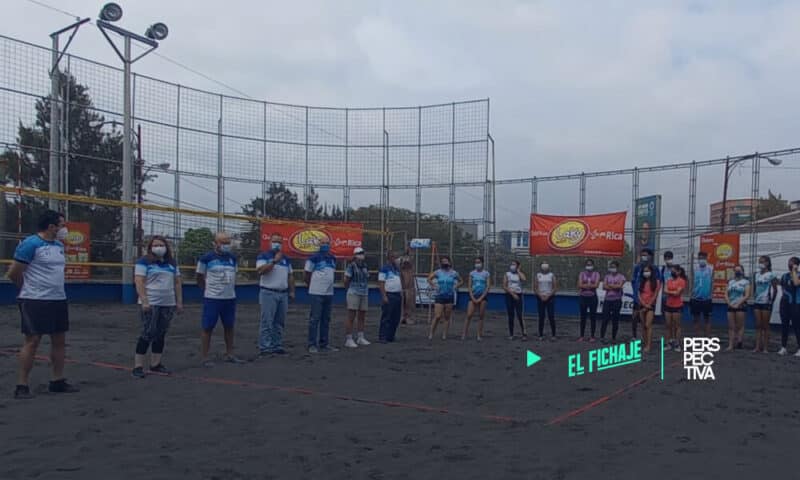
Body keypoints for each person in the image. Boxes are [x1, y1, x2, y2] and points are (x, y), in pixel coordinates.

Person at [9, 210, 79, 399]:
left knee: (59, 340)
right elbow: (14, 273)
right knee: (32, 341)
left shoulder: (57, 245)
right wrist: (26, 289)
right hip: (35, 300)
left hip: (57, 298)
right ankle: (22, 385)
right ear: (51, 226)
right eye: (62, 225)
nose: (64, 228)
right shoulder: (31, 244)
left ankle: (57, 381)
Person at [132, 236, 183, 378]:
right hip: (151, 302)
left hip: (168, 303)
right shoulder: (144, 262)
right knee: (147, 333)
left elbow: (177, 283)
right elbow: (139, 281)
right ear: (150, 247)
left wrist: (179, 302)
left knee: (161, 334)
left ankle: (156, 364)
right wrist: (145, 300)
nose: (159, 247)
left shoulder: (171, 263)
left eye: (161, 245)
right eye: (155, 245)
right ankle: (138, 366)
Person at [197, 232, 242, 366]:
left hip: (229, 298)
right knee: (208, 327)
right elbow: (199, 276)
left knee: (229, 326)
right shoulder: (206, 258)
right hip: (212, 298)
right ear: (215, 243)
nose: (226, 245)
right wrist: (206, 290)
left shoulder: (232, 258)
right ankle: (204, 357)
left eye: (228, 242)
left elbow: (235, 276)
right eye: (223, 242)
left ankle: (229, 354)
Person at [256, 233, 295, 356]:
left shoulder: (286, 259)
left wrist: (292, 290)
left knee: (279, 322)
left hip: (282, 293)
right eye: (275, 241)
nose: (277, 244)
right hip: (268, 292)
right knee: (267, 321)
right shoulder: (263, 256)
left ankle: (277, 345)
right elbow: (261, 271)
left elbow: (290, 275)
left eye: (279, 242)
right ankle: (265, 347)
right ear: (270, 242)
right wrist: (274, 261)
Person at [305, 238, 337, 354]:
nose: (325, 245)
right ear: (319, 244)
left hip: (329, 293)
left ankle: (324, 343)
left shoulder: (332, 258)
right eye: (323, 243)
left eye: (327, 243)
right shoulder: (314, 258)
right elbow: (307, 273)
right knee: (315, 319)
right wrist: (310, 286)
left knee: (326, 319)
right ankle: (312, 344)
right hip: (316, 292)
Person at [428, 256, 462, 341]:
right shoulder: (438, 272)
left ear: (449, 262)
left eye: (446, 261)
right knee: (438, 316)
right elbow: (429, 279)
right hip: (439, 296)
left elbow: (461, 281)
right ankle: (431, 333)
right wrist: (434, 286)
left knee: (447, 317)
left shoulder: (454, 273)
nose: (444, 263)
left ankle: (444, 335)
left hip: (449, 296)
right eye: (443, 261)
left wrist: (455, 286)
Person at [343, 247, 371, 348]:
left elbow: (367, 277)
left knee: (362, 316)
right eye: (359, 253)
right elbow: (346, 280)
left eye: (362, 253)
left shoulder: (365, 266)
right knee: (351, 316)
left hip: (364, 292)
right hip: (354, 292)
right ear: (355, 255)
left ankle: (360, 337)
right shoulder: (351, 266)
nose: (362, 254)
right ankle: (349, 339)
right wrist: (349, 289)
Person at [632, 248, 660, 340]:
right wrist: (636, 295)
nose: (643, 257)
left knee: (648, 323)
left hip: (650, 300)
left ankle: (648, 340)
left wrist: (651, 301)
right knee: (635, 318)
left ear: (650, 256)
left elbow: (657, 284)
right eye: (642, 255)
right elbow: (633, 281)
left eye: (645, 255)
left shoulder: (654, 268)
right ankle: (634, 336)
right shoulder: (637, 267)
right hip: (638, 298)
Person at [752, 256, 778, 353]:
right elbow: (755, 287)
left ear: (767, 263)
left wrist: (771, 300)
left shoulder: (771, 275)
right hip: (757, 302)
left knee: (765, 325)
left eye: (762, 262)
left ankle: (766, 348)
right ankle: (757, 347)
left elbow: (775, 289)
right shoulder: (756, 274)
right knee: (758, 325)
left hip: (766, 302)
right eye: (759, 262)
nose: (760, 264)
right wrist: (755, 297)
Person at [462, 256, 490, 341]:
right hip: (473, 296)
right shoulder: (472, 273)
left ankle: (479, 335)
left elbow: (488, 286)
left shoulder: (486, 273)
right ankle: (464, 334)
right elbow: (469, 286)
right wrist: (472, 297)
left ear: (482, 263)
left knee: (481, 316)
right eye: (476, 262)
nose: (477, 264)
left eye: (479, 262)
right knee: (469, 315)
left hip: (482, 296)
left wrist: (481, 298)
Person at [378, 251, 403, 343]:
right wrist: (384, 296)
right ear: (390, 258)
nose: (396, 259)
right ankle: (383, 336)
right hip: (389, 294)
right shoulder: (384, 269)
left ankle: (391, 336)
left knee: (396, 317)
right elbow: (381, 283)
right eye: (395, 257)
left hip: (397, 295)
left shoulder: (396, 269)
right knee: (387, 317)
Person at [724, 264, 751, 352]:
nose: (737, 272)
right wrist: (729, 303)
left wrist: (738, 303)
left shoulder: (746, 282)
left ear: (742, 272)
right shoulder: (730, 282)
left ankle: (739, 342)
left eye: (739, 270)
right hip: (730, 305)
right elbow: (726, 294)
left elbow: (747, 295)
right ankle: (730, 345)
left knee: (740, 326)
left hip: (741, 306)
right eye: (736, 270)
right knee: (731, 326)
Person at [778, 257, 800, 356]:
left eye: (792, 263)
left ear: (797, 264)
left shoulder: (798, 275)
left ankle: (799, 348)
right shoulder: (784, 276)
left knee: (797, 326)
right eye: (789, 263)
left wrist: (794, 271)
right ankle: (783, 347)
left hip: (796, 304)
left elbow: (796, 283)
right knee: (784, 326)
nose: (789, 265)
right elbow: (783, 288)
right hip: (785, 304)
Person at [600, 260, 625, 343]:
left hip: (617, 300)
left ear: (617, 268)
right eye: (611, 267)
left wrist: (609, 286)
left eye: (614, 267)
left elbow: (620, 286)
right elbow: (604, 287)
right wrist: (614, 287)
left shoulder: (621, 276)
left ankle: (613, 338)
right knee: (605, 319)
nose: (612, 268)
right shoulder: (607, 276)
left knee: (615, 320)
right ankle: (602, 337)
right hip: (607, 300)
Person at [637, 264, 660, 354]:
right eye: (644, 271)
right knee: (643, 326)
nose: (646, 273)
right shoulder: (641, 282)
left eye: (648, 271)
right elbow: (638, 294)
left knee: (648, 325)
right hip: (642, 304)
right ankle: (645, 343)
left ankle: (649, 345)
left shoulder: (656, 282)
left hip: (650, 306)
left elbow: (655, 294)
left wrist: (648, 304)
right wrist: (643, 303)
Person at [663, 264, 687, 352]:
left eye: (674, 271)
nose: (672, 272)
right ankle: (668, 342)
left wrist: (670, 291)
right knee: (668, 325)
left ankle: (677, 343)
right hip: (668, 305)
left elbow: (677, 293)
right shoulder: (669, 280)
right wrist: (672, 292)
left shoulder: (682, 281)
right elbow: (665, 290)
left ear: (679, 272)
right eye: (671, 271)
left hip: (677, 305)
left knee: (677, 325)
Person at [690, 251, 714, 337]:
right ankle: (697, 338)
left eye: (703, 258)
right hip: (696, 298)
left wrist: (711, 294)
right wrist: (691, 294)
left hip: (707, 299)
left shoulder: (711, 268)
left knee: (707, 320)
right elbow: (691, 280)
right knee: (696, 319)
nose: (701, 260)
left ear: (706, 258)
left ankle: (707, 338)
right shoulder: (694, 268)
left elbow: (712, 282)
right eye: (700, 258)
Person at [577, 259, 600, 342]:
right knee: (583, 317)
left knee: (593, 317)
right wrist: (590, 286)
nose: (589, 266)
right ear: (585, 265)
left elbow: (596, 285)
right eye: (587, 264)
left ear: (593, 266)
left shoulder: (596, 274)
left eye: (590, 264)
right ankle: (581, 336)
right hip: (583, 297)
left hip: (593, 297)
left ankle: (592, 336)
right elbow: (579, 284)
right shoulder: (582, 273)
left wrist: (585, 285)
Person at [503, 260, 527, 340]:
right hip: (510, 295)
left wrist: (519, 271)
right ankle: (511, 334)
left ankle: (524, 333)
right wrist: (512, 294)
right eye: (511, 264)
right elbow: (504, 286)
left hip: (518, 295)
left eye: (514, 264)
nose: (512, 266)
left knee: (520, 314)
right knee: (510, 315)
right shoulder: (507, 274)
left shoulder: (520, 274)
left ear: (517, 266)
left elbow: (524, 279)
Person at [535, 261, 558, 341]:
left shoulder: (551, 275)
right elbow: (535, 288)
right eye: (543, 264)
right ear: (541, 266)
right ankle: (540, 335)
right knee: (541, 317)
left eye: (546, 264)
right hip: (540, 297)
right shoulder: (538, 275)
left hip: (550, 297)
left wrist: (548, 295)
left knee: (551, 316)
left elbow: (555, 288)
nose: (545, 265)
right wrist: (540, 295)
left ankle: (553, 335)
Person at [398, 248, 416, 325]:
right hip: (402, 285)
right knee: (402, 301)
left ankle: (408, 317)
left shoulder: (411, 260)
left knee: (409, 302)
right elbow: (398, 264)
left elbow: (410, 261)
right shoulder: (400, 259)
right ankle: (402, 317)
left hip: (410, 286)